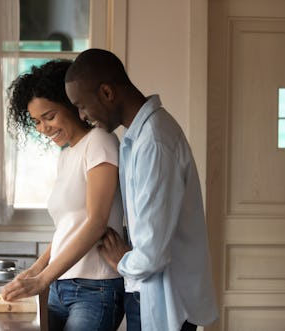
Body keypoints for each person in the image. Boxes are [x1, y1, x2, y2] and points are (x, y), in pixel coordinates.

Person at [65, 48, 218, 331]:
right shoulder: (138, 138)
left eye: (82, 105)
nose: (82, 116)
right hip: (150, 292)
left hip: (165, 298)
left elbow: (152, 254)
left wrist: (121, 260)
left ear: (107, 93)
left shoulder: (154, 143)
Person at [2, 59, 125, 331]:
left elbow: (96, 222)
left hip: (96, 288)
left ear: (71, 105)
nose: (44, 128)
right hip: (61, 287)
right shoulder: (67, 153)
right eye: (36, 121)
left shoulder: (100, 142)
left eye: (49, 116)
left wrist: (42, 279)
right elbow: (67, 229)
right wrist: (35, 271)